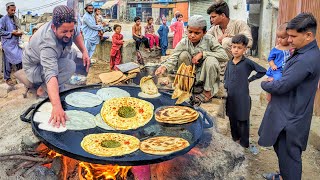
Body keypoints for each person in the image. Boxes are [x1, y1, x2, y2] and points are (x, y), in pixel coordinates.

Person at [258, 13, 320, 180]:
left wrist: (264, 83)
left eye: (293, 36)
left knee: (290, 157)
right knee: (283, 152)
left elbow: (282, 85)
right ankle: (283, 176)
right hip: (288, 112)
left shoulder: (306, 59)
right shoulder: (303, 51)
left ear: (308, 35)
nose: (289, 39)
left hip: (291, 118)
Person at [22, 5, 90, 127]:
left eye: (70, 30)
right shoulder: (47, 42)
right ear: (54, 28)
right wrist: (56, 106)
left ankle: (55, 88)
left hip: (51, 59)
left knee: (73, 52)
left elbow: (76, 34)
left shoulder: (67, 25)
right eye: (64, 32)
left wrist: (84, 51)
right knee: (69, 66)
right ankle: (42, 88)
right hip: (35, 67)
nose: (69, 35)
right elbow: (51, 73)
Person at [155, 15, 229, 103]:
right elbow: (173, 57)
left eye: (197, 33)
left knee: (211, 61)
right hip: (189, 75)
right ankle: (186, 87)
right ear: (187, 29)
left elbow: (224, 56)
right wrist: (164, 67)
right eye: (190, 32)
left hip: (205, 75)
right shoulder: (184, 42)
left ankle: (207, 92)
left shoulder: (209, 39)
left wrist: (203, 54)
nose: (192, 35)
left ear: (204, 32)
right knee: (183, 55)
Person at [224, 34, 266, 148]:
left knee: (242, 120)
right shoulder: (229, 63)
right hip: (231, 97)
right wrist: (225, 88)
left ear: (245, 49)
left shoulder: (247, 62)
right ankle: (235, 139)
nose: (236, 50)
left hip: (243, 97)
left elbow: (262, 71)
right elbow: (226, 78)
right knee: (232, 118)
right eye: (234, 47)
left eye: (239, 47)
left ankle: (244, 143)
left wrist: (250, 80)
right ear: (231, 47)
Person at [265, 23, 291, 101]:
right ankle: (269, 93)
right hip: (277, 70)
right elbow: (270, 59)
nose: (279, 39)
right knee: (277, 79)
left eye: (282, 37)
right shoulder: (276, 49)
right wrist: (272, 65)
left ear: (289, 37)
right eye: (278, 37)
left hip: (287, 69)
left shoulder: (291, 47)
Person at [0, 2, 23, 86]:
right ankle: (7, 78)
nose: (13, 12)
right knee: (8, 61)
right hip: (7, 44)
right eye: (11, 10)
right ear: (7, 10)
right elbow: (0, 31)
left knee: (21, 58)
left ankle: (20, 76)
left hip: (15, 43)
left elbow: (18, 29)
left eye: (14, 10)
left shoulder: (15, 18)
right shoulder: (3, 19)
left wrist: (19, 33)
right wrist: (11, 33)